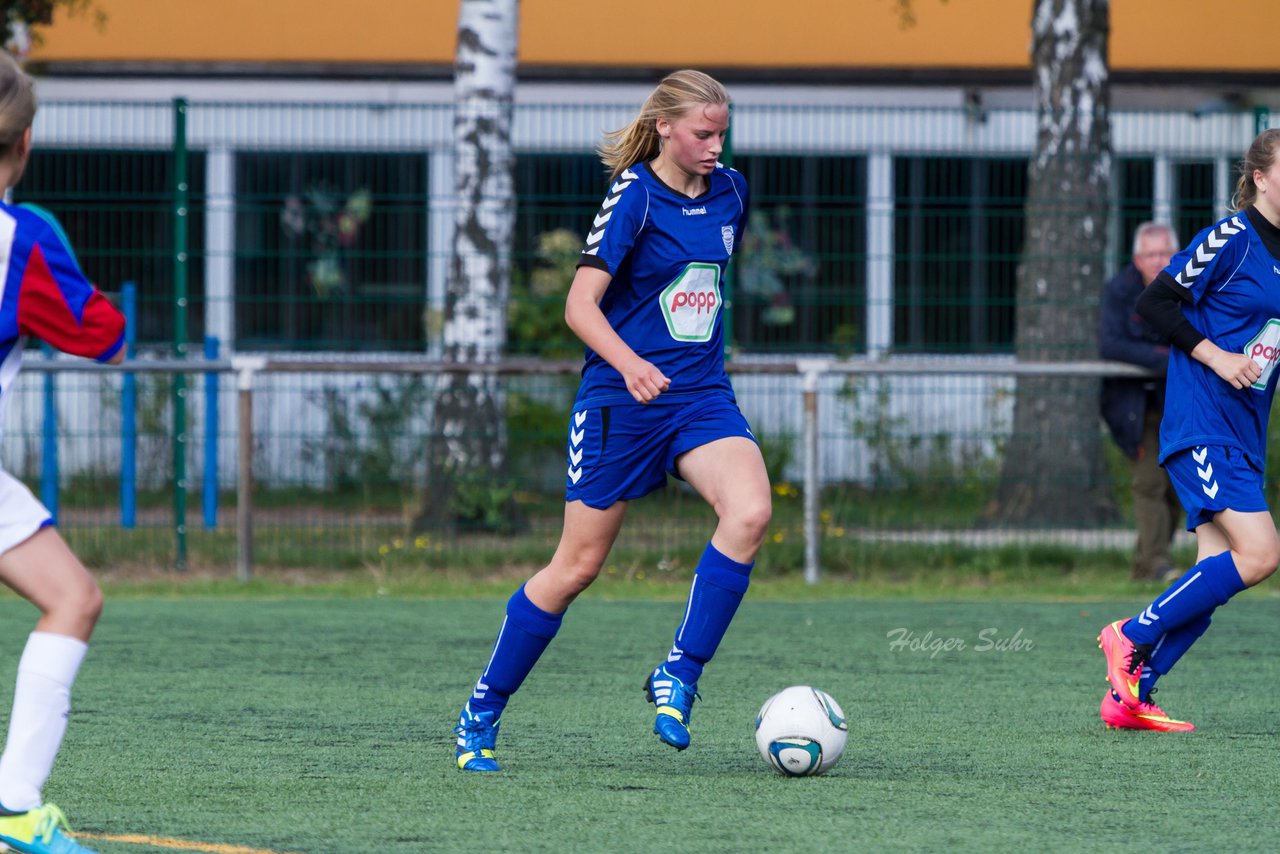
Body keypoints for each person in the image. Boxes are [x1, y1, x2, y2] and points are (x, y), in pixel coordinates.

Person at [452, 69, 770, 771]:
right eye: (703, 133)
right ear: (665, 129)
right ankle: (483, 708)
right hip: (621, 403)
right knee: (576, 567)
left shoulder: (731, 192)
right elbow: (580, 306)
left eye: (723, 132)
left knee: (749, 513)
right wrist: (630, 364)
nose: (717, 145)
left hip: (699, 397)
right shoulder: (634, 196)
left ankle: (679, 673)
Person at [1097, 128, 1280, 733]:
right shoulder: (1230, 238)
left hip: (1244, 432)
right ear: (1259, 177)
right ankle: (1130, 633)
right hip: (1203, 425)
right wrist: (1219, 358)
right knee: (1261, 554)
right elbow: (1155, 303)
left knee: (1216, 573)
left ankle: (1134, 695)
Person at [0, 53, 126, 853]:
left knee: (71, 594)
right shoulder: (19, 239)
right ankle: (13, 805)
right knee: (71, 600)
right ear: (26, 141)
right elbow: (100, 334)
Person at [1099, 222, 1183, 582]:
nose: (1158, 260)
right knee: (1149, 483)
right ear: (1137, 258)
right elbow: (1112, 345)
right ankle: (1157, 562)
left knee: (1178, 486)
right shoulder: (1118, 291)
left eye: (1164, 253)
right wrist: (1166, 358)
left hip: (1176, 405)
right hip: (1130, 408)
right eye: (1150, 254)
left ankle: (1144, 565)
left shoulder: (1187, 287)